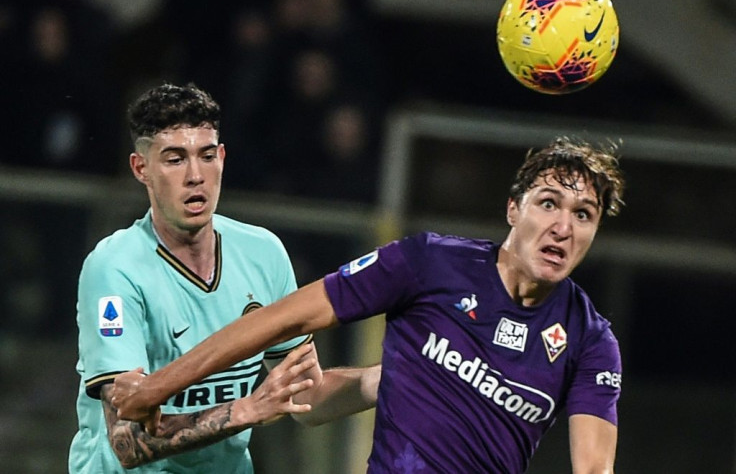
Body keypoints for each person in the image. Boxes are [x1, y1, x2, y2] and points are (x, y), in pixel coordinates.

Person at [113, 136, 626, 473]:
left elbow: (595, 469)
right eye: (549, 203)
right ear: (513, 209)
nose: (563, 226)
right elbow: (281, 319)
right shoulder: (429, 263)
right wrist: (161, 385)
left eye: (584, 214)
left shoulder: (590, 339)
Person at [68, 82, 380, 473]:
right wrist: (246, 409)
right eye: (175, 159)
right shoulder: (114, 268)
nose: (195, 175)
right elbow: (127, 443)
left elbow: (307, 396)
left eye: (206, 155)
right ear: (141, 168)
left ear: (223, 158)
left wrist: (387, 379)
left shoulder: (263, 253)